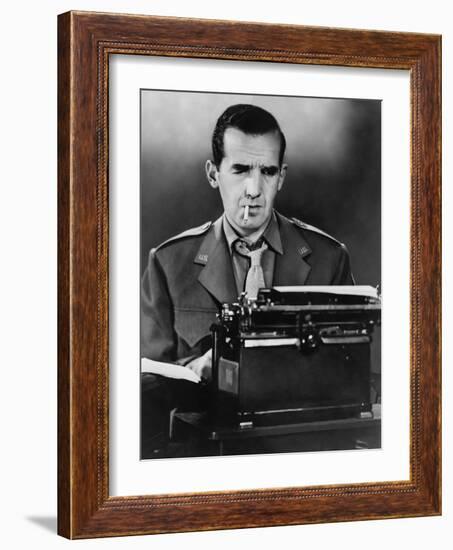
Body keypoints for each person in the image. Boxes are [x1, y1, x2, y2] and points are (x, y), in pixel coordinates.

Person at [141, 104, 354, 382]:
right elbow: (145, 385)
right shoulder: (168, 264)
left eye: (267, 172)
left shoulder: (329, 259)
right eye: (240, 170)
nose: (254, 190)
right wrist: (198, 369)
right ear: (213, 174)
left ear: (281, 178)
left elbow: (350, 373)